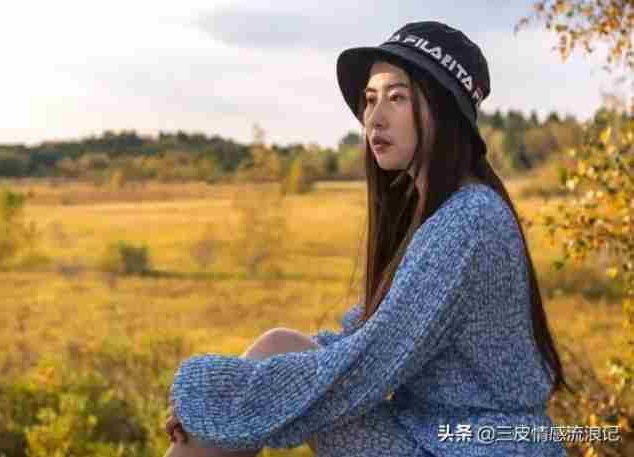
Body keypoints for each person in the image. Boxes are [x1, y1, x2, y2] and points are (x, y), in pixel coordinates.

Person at [164, 21, 572, 457]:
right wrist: (221, 410)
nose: (374, 118)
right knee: (279, 346)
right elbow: (363, 334)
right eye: (371, 99)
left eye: (397, 98)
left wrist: (216, 402)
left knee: (259, 386)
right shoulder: (440, 215)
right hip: (430, 435)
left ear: (442, 111)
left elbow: (368, 365)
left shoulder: (469, 221)